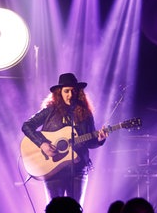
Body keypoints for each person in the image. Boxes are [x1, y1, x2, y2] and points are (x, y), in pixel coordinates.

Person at [21, 73, 109, 205]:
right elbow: (27, 126)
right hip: (53, 169)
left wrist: (100, 140)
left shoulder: (86, 114)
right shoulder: (50, 110)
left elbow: (89, 142)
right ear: (59, 92)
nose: (70, 95)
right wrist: (42, 143)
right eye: (66, 91)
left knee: (75, 212)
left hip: (79, 168)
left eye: (73, 91)